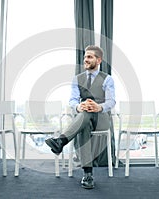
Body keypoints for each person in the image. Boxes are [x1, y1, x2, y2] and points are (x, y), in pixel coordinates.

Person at [45, 45, 115, 189]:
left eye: (89, 57)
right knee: (84, 118)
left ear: (99, 60)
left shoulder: (108, 79)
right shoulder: (77, 79)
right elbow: (72, 100)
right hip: (83, 120)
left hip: (101, 119)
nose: (85, 60)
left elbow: (111, 101)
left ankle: (61, 140)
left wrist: (98, 106)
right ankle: (88, 174)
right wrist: (78, 106)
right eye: (85, 57)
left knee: (88, 109)